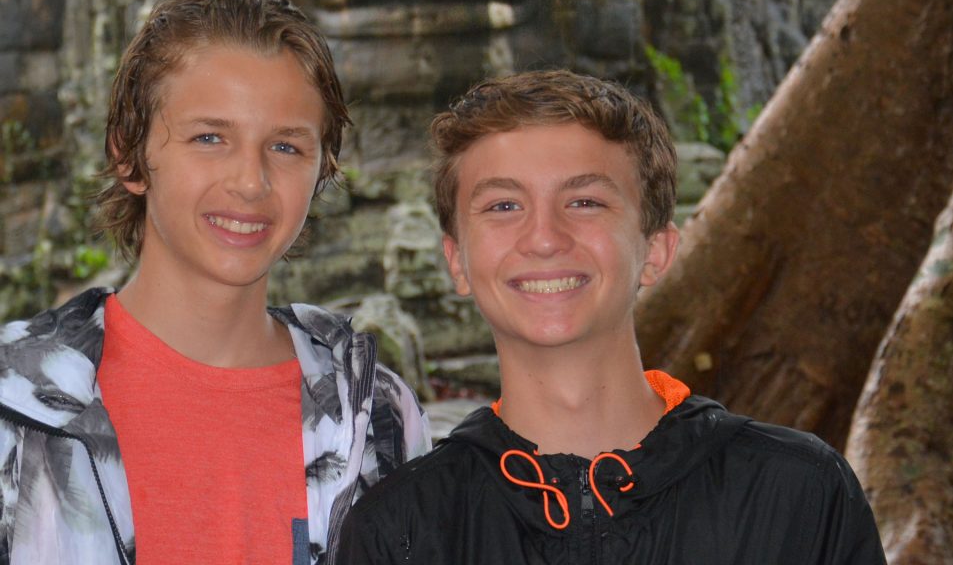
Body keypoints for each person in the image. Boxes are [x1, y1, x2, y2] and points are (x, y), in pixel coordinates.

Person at [336, 69, 886, 563]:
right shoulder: (399, 530)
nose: (545, 238)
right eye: (504, 206)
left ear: (657, 251)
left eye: (585, 202)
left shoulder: (799, 494)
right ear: (457, 262)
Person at [0, 0, 429, 565]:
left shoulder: (378, 418)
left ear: (321, 170)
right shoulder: (14, 401)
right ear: (128, 154)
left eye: (285, 146)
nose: (251, 182)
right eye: (209, 138)